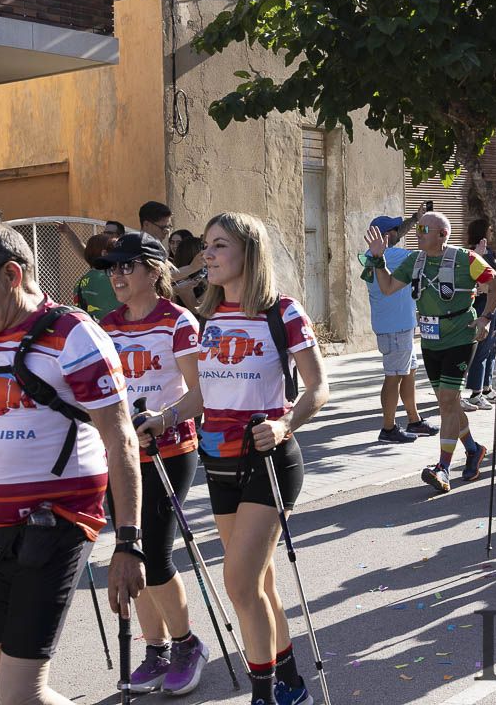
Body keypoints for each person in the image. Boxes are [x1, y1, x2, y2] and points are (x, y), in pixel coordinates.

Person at [0, 222, 145, 705]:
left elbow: (120, 439)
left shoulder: (73, 335)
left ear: (12, 274)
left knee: (18, 694)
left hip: (53, 526)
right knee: (1, 672)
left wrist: (128, 543)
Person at [196, 212, 330, 705]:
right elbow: (203, 395)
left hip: (268, 460)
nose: (207, 255)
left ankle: (265, 694)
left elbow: (318, 388)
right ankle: (291, 682)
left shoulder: (283, 312)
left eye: (219, 246)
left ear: (249, 253)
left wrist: (285, 423)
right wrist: (165, 417)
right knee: (260, 583)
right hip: (218, 460)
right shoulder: (207, 317)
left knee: (239, 583)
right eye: (207, 246)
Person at [97, 232, 209, 695]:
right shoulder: (106, 324)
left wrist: (163, 420)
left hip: (170, 451)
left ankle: (187, 644)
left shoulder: (177, 322)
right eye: (113, 268)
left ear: (155, 271)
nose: (117, 276)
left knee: (157, 554)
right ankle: (156, 648)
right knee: (132, 552)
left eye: (127, 267)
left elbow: (202, 394)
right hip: (119, 456)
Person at [370, 211, 496, 493]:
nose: (417, 233)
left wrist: (486, 318)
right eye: (417, 228)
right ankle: (473, 448)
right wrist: (378, 260)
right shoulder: (414, 260)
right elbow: (388, 286)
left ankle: (442, 467)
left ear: (442, 234)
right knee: (450, 404)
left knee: (446, 400)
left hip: (460, 336)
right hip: (431, 341)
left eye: (423, 229)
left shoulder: (464, 259)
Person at [361, 213, 438, 443]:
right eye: (395, 230)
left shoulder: (377, 255)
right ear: (387, 235)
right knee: (393, 377)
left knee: (408, 373)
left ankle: (414, 420)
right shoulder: (393, 255)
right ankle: (388, 428)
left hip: (399, 326)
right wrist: (427, 229)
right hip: (394, 327)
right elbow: (428, 254)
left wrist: (415, 219)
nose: (398, 233)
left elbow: (398, 237)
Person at [462, 218, 496, 411]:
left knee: (492, 348)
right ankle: (475, 392)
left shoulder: (489, 250)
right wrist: (478, 255)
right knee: (481, 348)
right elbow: (479, 284)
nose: (492, 231)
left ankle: (486, 388)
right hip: (483, 306)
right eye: (489, 228)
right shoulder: (471, 253)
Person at [74, 232, 122, 320]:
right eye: (116, 251)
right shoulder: (114, 279)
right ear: (105, 254)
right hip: (114, 331)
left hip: (91, 331)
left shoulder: (79, 284)